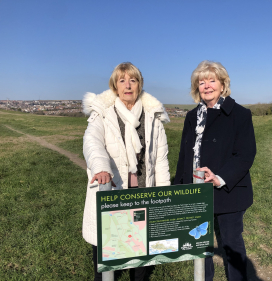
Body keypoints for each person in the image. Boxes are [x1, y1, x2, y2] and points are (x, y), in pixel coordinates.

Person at [82, 62, 170, 281]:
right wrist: (101, 168)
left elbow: (160, 159)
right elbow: (92, 142)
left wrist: (163, 195)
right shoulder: (103, 113)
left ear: (139, 85)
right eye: (122, 80)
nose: (128, 85)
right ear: (115, 86)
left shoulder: (152, 116)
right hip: (112, 191)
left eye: (133, 80)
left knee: (139, 252)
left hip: (142, 193)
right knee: (105, 254)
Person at [174, 60, 256, 281]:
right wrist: (178, 188)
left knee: (231, 243)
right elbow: (184, 155)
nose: (207, 86)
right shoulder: (192, 117)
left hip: (227, 191)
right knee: (201, 246)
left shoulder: (240, 114)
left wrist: (220, 178)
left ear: (223, 85)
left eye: (212, 80)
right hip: (196, 191)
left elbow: (245, 154)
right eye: (202, 82)